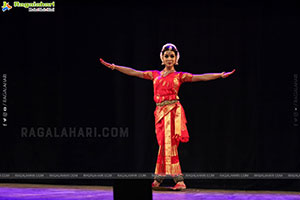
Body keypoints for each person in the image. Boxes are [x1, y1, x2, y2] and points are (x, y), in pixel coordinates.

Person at [99, 43, 235, 190]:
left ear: (176, 59)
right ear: (162, 58)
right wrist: (115, 67)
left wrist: (219, 75)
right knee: (164, 145)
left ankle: (178, 181)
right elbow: (134, 72)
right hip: (159, 113)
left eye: (172, 56)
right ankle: (159, 178)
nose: (169, 58)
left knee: (169, 145)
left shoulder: (179, 76)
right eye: (166, 56)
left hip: (172, 112)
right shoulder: (154, 75)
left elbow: (200, 77)